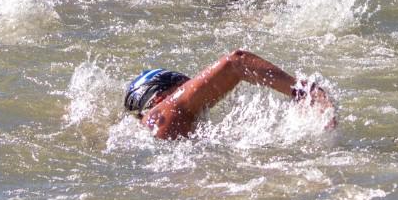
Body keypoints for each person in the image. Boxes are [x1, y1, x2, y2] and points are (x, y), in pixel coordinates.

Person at [123, 49, 335, 140]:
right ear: (159, 97)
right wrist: (304, 92)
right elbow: (237, 62)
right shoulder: (166, 110)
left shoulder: (150, 131)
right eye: (183, 87)